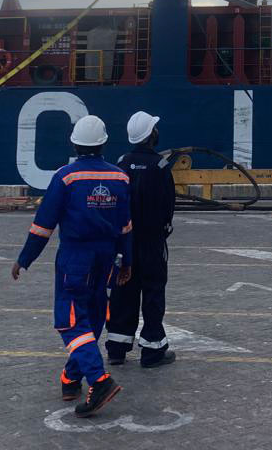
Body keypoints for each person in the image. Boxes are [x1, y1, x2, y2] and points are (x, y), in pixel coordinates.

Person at [11, 115, 132, 418]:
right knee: (93, 316)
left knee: (70, 321)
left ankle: (99, 381)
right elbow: (126, 226)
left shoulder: (65, 177)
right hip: (107, 256)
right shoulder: (120, 178)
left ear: (74, 144)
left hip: (76, 256)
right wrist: (127, 261)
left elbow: (43, 225)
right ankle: (71, 378)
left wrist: (25, 258)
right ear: (103, 143)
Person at [105, 111, 176, 368]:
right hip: (152, 242)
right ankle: (152, 350)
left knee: (122, 291)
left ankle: (116, 349)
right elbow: (168, 205)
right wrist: (163, 230)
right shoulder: (161, 166)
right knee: (153, 292)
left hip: (124, 241)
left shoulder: (121, 163)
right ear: (151, 135)